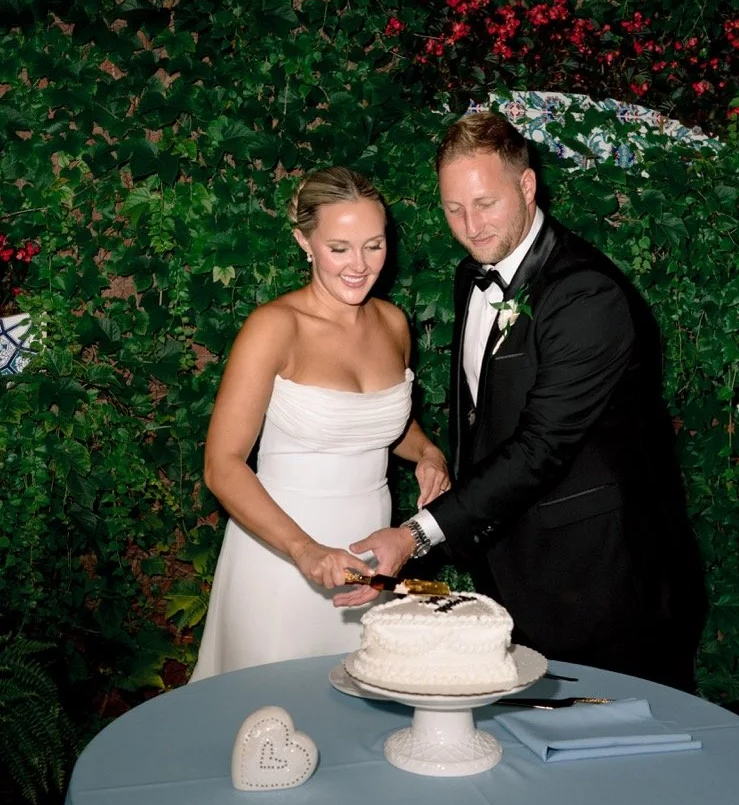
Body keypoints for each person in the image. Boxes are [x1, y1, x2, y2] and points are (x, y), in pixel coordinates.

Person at [352, 111, 704, 690]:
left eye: (485, 203)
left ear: (527, 185)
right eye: (453, 209)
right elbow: (480, 415)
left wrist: (416, 534)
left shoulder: (586, 295)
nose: (470, 226)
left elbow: (540, 447)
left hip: (603, 583)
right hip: (513, 568)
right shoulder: (476, 273)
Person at [190, 166, 449, 680]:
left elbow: (384, 425)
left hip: (372, 557)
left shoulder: (393, 323)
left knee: (359, 713)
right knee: (268, 719)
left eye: (373, 246)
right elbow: (222, 466)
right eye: (340, 248)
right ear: (304, 242)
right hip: (280, 554)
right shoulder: (274, 327)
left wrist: (428, 453)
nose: (360, 265)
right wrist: (302, 550)